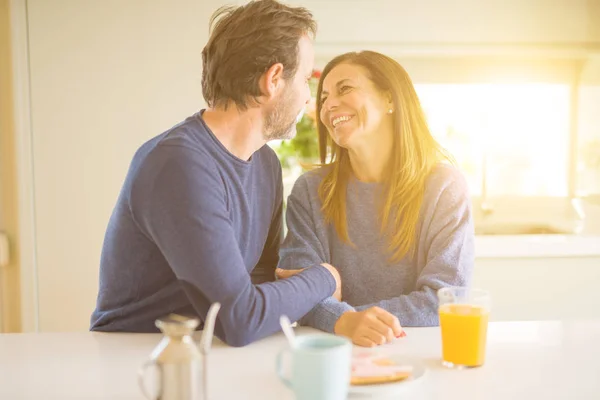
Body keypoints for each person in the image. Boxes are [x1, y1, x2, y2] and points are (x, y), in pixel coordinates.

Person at [90, 0, 343, 347]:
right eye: (304, 80)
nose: (306, 99)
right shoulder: (177, 164)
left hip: (210, 352)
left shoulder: (265, 164)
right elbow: (239, 319)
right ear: (273, 80)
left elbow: (260, 280)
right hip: (140, 360)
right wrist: (324, 277)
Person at [277, 51, 474, 347]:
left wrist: (342, 317)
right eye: (324, 96)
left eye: (345, 89)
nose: (329, 104)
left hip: (415, 350)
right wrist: (345, 322)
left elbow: (443, 300)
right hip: (334, 352)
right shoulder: (309, 191)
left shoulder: (445, 187)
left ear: (390, 99)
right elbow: (298, 294)